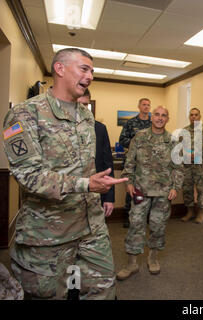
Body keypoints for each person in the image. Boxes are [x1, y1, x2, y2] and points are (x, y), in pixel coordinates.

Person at [2, 48, 127, 299]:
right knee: (51, 294)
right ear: (60, 69)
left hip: (91, 228)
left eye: (92, 70)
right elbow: (28, 175)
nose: (90, 75)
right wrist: (85, 184)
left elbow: (89, 167)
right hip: (48, 233)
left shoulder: (86, 117)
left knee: (103, 290)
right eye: (84, 69)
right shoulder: (25, 114)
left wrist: (100, 186)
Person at [117, 106, 184, 279]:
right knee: (136, 225)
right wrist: (128, 182)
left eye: (164, 115)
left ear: (167, 119)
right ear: (151, 117)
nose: (160, 118)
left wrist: (175, 187)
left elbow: (178, 168)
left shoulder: (173, 141)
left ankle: (153, 257)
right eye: (157, 115)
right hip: (140, 190)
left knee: (158, 226)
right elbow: (129, 162)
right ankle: (132, 263)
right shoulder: (139, 137)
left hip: (162, 193)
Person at [78, 89, 115, 217]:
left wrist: (110, 197)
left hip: (94, 194)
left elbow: (107, 165)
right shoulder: (58, 128)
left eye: (85, 104)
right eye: (78, 104)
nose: (82, 108)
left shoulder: (99, 128)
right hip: (68, 196)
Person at [119, 98, 152, 228]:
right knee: (131, 190)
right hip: (133, 162)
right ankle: (128, 216)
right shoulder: (130, 122)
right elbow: (122, 139)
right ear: (139, 106)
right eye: (144, 105)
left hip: (149, 164)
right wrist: (137, 145)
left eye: (148, 105)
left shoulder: (152, 123)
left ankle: (147, 216)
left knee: (148, 190)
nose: (146, 107)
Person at [180, 108, 203, 224]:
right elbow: (179, 146)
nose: (193, 117)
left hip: (200, 166)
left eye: (196, 115)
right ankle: (190, 211)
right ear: (189, 117)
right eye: (191, 115)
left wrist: (193, 154)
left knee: (201, 189)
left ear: (200, 116)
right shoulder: (184, 131)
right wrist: (186, 153)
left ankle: (201, 213)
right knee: (187, 189)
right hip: (187, 165)